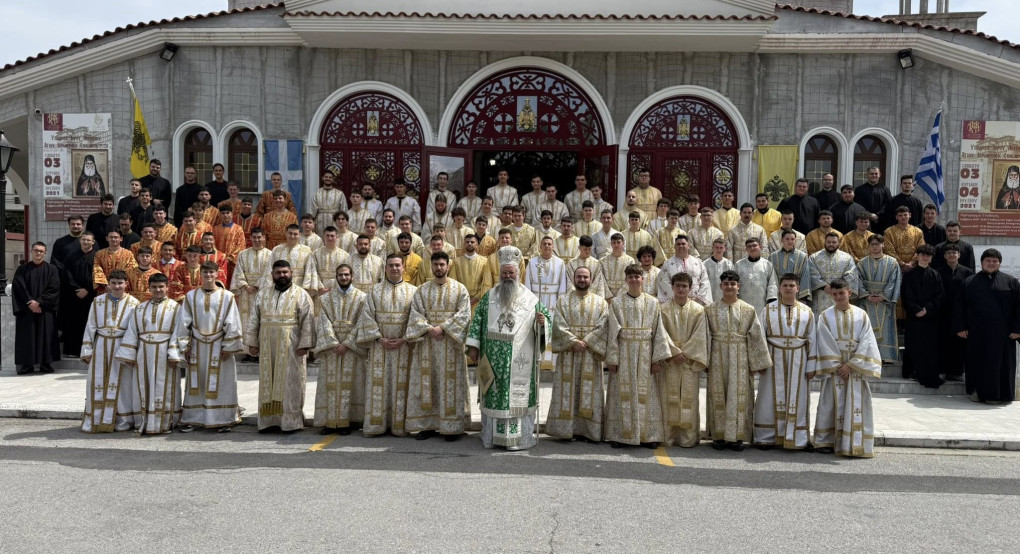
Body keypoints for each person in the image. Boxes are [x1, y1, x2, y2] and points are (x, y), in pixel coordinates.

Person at [466, 246, 551, 451]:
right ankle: (492, 438)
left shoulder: (531, 299)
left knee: (516, 398)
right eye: (504, 273)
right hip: (492, 359)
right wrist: (474, 347)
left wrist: (542, 323)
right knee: (494, 395)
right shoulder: (489, 297)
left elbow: (545, 321)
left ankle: (519, 439)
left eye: (511, 273)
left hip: (520, 359)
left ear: (518, 273)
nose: (507, 276)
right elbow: (477, 321)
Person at [603, 265, 674, 448]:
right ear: (626, 280)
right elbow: (612, 332)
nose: (634, 280)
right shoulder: (617, 303)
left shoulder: (653, 302)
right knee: (622, 393)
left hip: (645, 352)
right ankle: (620, 435)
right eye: (631, 277)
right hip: (624, 351)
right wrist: (612, 358)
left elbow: (659, 331)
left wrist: (657, 359)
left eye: (637, 276)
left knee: (647, 393)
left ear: (643, 279)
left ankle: (648, 435)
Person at [403, 253, 472, 440]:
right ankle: (427, 425)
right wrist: (428, 328)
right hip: (428, 344)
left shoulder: (460, 289)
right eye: (436, 265)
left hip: (450, 345)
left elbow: (464, 315)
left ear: (448, 266)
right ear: (431, 266)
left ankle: (452, 426)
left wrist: (443, 328)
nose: (439, 268)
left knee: (450, 384)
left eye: (442, 264)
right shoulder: (422, 290)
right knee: (428, 383)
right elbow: (415, 314)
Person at [812, 278, 882, 457]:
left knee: (856, 404)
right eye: (834, 294)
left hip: (855, 368)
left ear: (849, 293)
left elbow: (867, 341)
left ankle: (855, 442)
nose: (838, 297)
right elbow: (824, 341)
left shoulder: (861, 315)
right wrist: (838, 366)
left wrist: (851, 365)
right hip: (835, 369)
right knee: (830, 403)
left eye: (841, 293)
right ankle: (826, 441)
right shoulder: (825, 316)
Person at [245, 260, 315, 432]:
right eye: (278, 273)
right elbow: (254, 319)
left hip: (292, 347)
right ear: (272, 275)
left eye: (285, 272)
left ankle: (291, 422)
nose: (282, 275)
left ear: (291, 273)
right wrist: (252, 342)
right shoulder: (262, 294)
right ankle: (268, 421)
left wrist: (305, 344)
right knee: (268, 382)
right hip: (267, 346)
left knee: (291, 383)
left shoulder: (301, 294)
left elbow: (308, 321)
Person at [705, 270, 771, 451]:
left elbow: (756, 336)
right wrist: (704, 360)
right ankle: (718, 436)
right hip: (716, 356)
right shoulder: (710, 309)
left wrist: (757, 363)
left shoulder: (748, 309)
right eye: (726, 283)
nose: (729, 287)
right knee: (717, 394)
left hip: (740, 357)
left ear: (739, 286)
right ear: (720, 286)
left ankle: (737, 436)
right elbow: (704, 336)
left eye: (732, 284)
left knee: (739, 395)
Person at [177, 262, 245, 432]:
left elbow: (233, 321)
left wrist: (229, 346)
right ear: (200, 274)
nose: (208, 275)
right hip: (197, 346)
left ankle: (223, 419)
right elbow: (184, 321)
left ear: (217, 274)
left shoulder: (227, 296)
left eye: (211, 272)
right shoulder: (191, 296)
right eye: (205, 272)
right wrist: (184, 345)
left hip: (219, 346)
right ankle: (194, 419)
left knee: (223, 382)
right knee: (197, 382)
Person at [754, 273, 817, 450]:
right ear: (780, 288)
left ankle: (797, 438)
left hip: (799, 359)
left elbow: (813, 339)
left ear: (798, 288)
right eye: (785, 285)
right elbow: (760, 336)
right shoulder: (768, 310)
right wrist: (761, 361)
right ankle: (766, 437)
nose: (788, 288)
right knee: (767, 397)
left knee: (798, 398)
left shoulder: (807, 311)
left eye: (792, 285)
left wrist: (812, 365)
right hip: (773, 358)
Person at [113, 273, 181, 435]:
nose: (158, 290)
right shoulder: (140, 308)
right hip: (143, 353)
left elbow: (179, 332)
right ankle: (144, 421)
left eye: (161, 287)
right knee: (143, 386)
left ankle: (165, 423)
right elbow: (132, 331)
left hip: (165, 353)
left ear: (167, 287)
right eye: (154, 287)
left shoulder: (176, 308)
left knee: (166, 386)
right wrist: (129, 353)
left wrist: (174, 352)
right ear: (149, 288)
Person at [357, 254, 418, 437]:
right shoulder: (374, 291)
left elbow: (417, 317)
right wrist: (378, 338)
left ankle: (399, 426)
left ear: (403, 267)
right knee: (379, 385)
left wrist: (405, 338)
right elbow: (367, 316)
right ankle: (376, 426)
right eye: (391, 265)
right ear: (385, 268)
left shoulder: (414, 291)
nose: (394, 268)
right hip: (379, 346)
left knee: (401, 385)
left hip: (403, 347)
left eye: (397, 265)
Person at [546, 267, 609, 443]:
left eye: (585, 277)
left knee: (590, 391)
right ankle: (566, 430)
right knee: (567, 390)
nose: (582, 279)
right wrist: (573, 342)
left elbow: (603, 326)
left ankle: (590, 431)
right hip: (569, 352)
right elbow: (558, 324)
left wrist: (586, 342)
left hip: (590, 353)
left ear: (591, 279)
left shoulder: (600, 302)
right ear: (573, 279)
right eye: (579, 276)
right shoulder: (563, 301)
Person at [955, 249, 1020, 404]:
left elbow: (1019, 307)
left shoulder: (1011, 282)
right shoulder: (969, 282)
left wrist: (1017, 329)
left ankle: (1001, 395)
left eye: (995, 261)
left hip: (1003, 335)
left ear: (1000, 263)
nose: (991, 263)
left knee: (1002, 366)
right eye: (988, 260)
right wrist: (960, 327)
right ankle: (979, 393)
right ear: (982, 262)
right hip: (977, 333)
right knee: (978, 363)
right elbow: (959, 306)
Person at [80, 270, 140, 433]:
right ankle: (97, 419)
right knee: (98, 382)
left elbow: (134, 329)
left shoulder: (134, 303)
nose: (117, 286)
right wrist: (87, 349)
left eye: (120, 283)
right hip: (101, 345)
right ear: (109, 284)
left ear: (126, 283)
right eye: (113, 283)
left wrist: (130, 352)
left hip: (122, 347)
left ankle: (123, 420)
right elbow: (91, 325)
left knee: (123, 384)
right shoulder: (97, 301)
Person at [311, 264, 369, 434]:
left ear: (352, 276)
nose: (344, 278)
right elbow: (323, 321)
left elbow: (362, 322)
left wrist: (347, 343)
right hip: (332, 347)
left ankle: (346, 422)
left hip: (351, 348)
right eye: (340, 275)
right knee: (330, 383)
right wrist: (333, 342)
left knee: (349, 383)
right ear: (336, 277)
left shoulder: (362, 298)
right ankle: (329, 422)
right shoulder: (325, 299)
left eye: (346, 275)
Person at [658, 272, 710, 448]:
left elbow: (700, 335)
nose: (681, 289)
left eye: (684, 286)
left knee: (689, 398)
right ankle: (669, 435)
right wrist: (674, 352)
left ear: (690, 288)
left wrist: (685, 353)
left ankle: (687, 437)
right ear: (672, 288)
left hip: (689, 361)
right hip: (670, 360)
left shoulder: (698, 310)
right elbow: (660, 334)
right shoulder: (662, 309)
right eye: (678, 286)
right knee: (668, 397)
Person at [12, 242, 61, 375]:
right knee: (27, 336)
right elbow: (19, 287)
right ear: (31, 251)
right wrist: (30, 302)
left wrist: (39, 302)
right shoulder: (22, 269)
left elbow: (54, 288)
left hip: (45, 309)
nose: (38, 253)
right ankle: (27, 365)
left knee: (46, 336)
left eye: (41, 251)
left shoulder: (52, 269)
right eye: (36, 250)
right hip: (26, 309)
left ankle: (46, 364)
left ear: (45, 253)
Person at [900, 245, 944, 388]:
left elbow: (939, 296)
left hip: (931, 318)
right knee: (914, 344)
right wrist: (916, 310)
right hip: (914, 317)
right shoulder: (909, 275)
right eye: (922, 254)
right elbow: (906, 295)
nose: (925, 257)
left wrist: (927, 309)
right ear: (917, 256)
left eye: (928, 255)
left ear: (931, 258)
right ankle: (912, 371)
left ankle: (928, 372)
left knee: (930, 346)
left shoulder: (936, 275)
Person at [856, 235, 902, 364]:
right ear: (869, 246)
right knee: (867, 327)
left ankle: (886, 356)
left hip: (885, 302)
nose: (875, 246)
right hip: (867, 301)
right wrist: (866, 295)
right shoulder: (861, 263)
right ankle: (868, 356)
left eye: (877, 244)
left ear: (883, 245)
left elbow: (894, 281)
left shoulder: (892, 262)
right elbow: (857, 280)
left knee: (885, 328)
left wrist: (884, 296)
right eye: (872, 244)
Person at [525, 237, 569, 370]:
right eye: (544, 244)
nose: (547, 246)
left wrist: (560, 303)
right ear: (540, 246)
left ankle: (551, 363)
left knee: (551, 329)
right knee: (536, 328)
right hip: (536, 300)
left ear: (553, 246)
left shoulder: (560, 263)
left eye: (549, 244)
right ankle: (537, 361)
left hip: (553, 302)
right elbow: (527, 283)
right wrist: (529, 302)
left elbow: (562, 284)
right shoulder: (532, 262)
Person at [231, 227, 272, 360]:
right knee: (247, 321)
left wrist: (256, 285)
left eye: (259, 237)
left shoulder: (270, 254)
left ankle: (261, 351)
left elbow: (269, 273)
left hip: (263, 292)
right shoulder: (243, 254)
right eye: (254, 237)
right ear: (250, 238)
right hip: (246, 293)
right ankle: (248, 351)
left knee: (261, 320)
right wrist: (245, 285)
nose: (257, 240)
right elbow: (238, 271)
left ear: (264, 238)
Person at [937, 244, 973, 383]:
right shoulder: (938, 272)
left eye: (954, 252)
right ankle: (942, 370)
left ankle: (957, 372)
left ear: (959, 255)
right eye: (949, 253)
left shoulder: (967, 272)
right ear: (944, 256)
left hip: (961, 314)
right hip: (943, 313)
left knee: (959, 343)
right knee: (943, 342)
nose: (952, 255)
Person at [61, 232, 98, 357]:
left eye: (88, 240)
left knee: (90, 323)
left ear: (93, 242)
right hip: (74, 296)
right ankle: (74, 351)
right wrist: (77, 289)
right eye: (83, 240)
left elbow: (99, 276)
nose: (86, 242)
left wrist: (88, 290)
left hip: (91, 296)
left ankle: (90, 351)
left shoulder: (97, 257)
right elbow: (67, 275)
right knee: (73, 323)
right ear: (80, 241)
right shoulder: (71, 257)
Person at [808, 233, 858, 315]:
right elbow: (812, 273)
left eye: (834, 242)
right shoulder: (814, 257)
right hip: (820, 294)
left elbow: (851, 275)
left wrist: (837, 287)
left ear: (838, 243)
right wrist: (824, 286)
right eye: (829, 242)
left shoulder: (847, 258)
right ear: (825, 242)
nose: (831, 244)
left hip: (840, 293)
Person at [655, 234, 712, 305]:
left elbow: (705, 281)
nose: (681, 246)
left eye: (683, 244)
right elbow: (664, 283)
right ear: (674, 247)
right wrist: (679, 298)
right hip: (675, 303)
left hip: (696, 303)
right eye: (678, 244)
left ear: (688, 246)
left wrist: (698, 298)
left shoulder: (698, 263)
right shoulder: (667, 264)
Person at [263, 224, 316, 296]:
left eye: (295, 234)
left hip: (299, 287)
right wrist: (270, 285)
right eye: (290, 233)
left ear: (299, 235)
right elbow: (269, 268)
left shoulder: (307, 251)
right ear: (286, 233)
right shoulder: (277, 249)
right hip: (280, 285)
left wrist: (305, 288)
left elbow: (309, 270)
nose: (292, 236)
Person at [450, 234, 493, 315]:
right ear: (464, 244)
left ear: (477, 245)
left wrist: (477, 297)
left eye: (472, 242)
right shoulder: (456, 262)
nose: (469, 243)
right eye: (467, 242)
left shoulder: (485, 261)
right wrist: (462, 297)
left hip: (478, 301)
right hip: (461, 301)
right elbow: (453, 282)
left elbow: (486, 282)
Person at [310, 226, 352, 306]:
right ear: (323, 237)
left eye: (332, 236)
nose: (330, 238)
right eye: (327, 235)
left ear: (337, 237)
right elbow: (312, 271)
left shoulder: (345, 255)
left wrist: (334, 288)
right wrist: (320, 288)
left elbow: (346, 274)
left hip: (338, 288)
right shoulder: (315, 254)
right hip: (320, 290)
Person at [734, 238, 777, 314]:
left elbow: (772, 284)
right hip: (743, 302)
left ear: (760, 247)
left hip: (761, 303)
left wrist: (770, 301)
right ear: (746, 249)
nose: (752, 248)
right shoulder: (739, 264)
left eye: (754, 245)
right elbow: (734, 283)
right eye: (749, 246)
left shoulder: (767, 264)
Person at [769, 230, 812, 303]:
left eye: (792, 239)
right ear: (782, 240)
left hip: (796, 293)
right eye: (787, 239)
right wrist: (772, 295)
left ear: (795, 241)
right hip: (778, 293)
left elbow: (806, 275)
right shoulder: (773, 256)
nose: (790, 241)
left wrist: (803, 296)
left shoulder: (802, 256)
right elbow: (771, 277)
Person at [93, 229, 138, 295]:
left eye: (116, 237)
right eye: (111, 237)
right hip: (105, 289)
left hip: (122, 288)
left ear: (121, 239)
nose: (113, 239)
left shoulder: (128, 254)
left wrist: (119, 284)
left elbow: (132, 270)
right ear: (107, 238)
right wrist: (106, 286)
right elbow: (97, 270)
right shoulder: (99, 254)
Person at [213, 203, 246, 284]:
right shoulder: (215, 229)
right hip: (219, 262)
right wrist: (220, 258)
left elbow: (241, 246)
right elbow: (213, 245)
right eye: (223, 213)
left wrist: (229, 258)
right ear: (220, 215)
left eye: (227, 213)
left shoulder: (238, 229)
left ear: (232, 214)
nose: (225, 215)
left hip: (233, 264)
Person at [311, 170, 348, 234]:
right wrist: (311, 224)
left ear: (333, 179)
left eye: (330, 177)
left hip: (335, 222)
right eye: (326, 177)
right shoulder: (316, 193)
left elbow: (344, 210)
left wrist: (344, 224)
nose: (328, 179)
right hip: (320, 222)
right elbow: (312, 210)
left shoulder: (340, 194)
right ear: (322, 178)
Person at [601, 233, 635, 299]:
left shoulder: (630, 261)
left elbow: (630, 278)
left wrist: (619, 296)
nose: (616, 245)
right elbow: (601, 279)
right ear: (611, 244)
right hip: (607, 296)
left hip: (624, 295)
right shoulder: (603, 261)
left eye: (618, 242)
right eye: (614, 242)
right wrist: (608, 296)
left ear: (623, 243)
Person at [703, 238, 735, 305]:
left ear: (724, 249)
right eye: (716, 247)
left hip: (725, 297)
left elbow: (732, 281)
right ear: (712, 248)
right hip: (709, 296)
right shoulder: (705, 264)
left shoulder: (728, 264)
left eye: (721, 248)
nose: (719, 250)